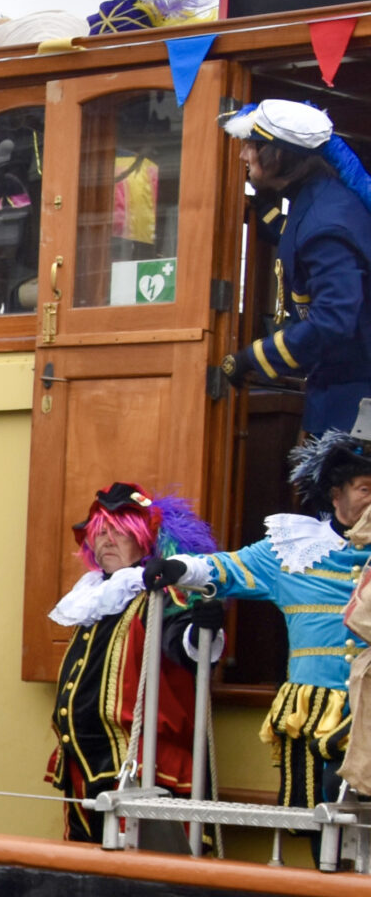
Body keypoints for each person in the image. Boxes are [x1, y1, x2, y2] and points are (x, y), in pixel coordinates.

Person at [149, 431, 371, 809]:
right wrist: (178, 567)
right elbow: (225, 568)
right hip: (312, 709)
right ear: (336, 495)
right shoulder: (294, 550)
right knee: (317, 821)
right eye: (366, 489)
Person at [46, 483, 222, 841]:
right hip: (83, 760)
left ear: (144, 540)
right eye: (101, 531)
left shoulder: (161, 597)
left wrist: (202, 628)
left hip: (141, 766)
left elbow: (185, 647)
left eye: (121, 531)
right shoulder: (94, 597)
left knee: (140, 862)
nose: (107, 540)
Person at [215, 100, 371, 436]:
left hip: (355, 403)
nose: (244, 156)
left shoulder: (327, 221)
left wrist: (255, 357)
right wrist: (265, 211)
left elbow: (333, 320)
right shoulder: (319, 199)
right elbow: (296, 236)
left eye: (251, 146)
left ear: (279, 154)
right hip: (340, 393)